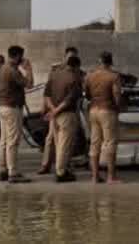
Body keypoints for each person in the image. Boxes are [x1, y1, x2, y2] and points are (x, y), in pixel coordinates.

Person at [38, 46, 79, 174]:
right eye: (70, 56)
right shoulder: (58, 71)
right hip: (61, 112)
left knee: (62, 141)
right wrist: (49, 109)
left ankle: (62, 166)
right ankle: (58, 169)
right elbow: (67, 98)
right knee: (59, 141)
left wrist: (52, 110)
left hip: (56, 112)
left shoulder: (62, 73)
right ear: (65, 57)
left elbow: (47, 93)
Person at [84, 51, 123, 184]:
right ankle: (111, 177)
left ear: (99, 61)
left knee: (95, 143)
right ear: (110, 62)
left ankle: (94, 177)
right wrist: (118, 108)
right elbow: (117, 95)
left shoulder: (90, 76)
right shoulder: (114, 76)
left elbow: (87, 95)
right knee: (110, 142)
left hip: (93, 110)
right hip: (107, 110)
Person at [0, 45, 34, 183]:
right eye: (21, 57)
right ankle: (13, 172)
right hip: (12, 108)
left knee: (4, 140)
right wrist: (28, 69)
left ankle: (2, 169)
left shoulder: (3, 68)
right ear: (18, 56)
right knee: (13, 140)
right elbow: (29, 84)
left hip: (2, 107)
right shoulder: (12, 71)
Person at [45, 54, 83, 182]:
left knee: (57, 143)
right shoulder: (74, 79)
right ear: (76, 66)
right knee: (64, 145)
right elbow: (69, 100)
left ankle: (61, 169)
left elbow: (47, 95)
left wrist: (52, 110)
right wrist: (56, 111)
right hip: (66, 114)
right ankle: (61, 172)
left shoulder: (54, 74)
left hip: (54, 115)